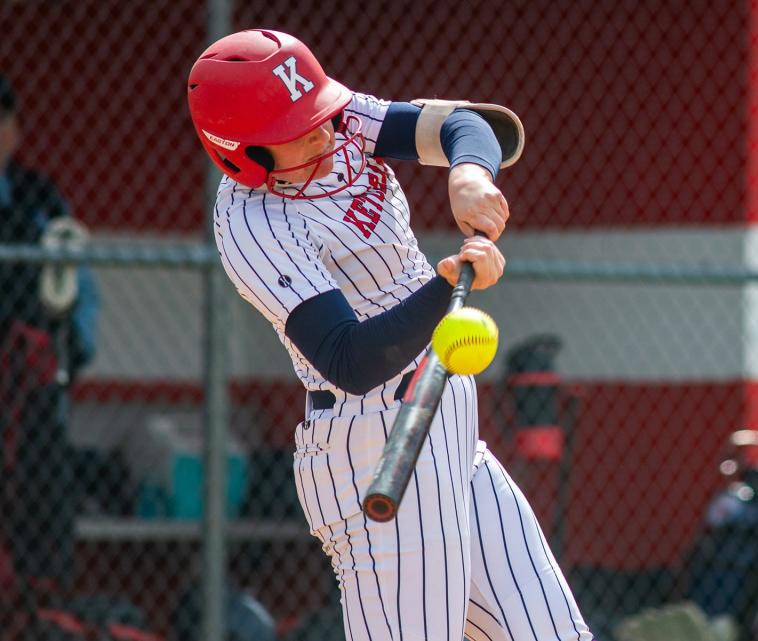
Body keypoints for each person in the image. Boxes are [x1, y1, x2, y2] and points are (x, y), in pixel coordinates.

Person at [187, 29, 593, 641]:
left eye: (320, 112)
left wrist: (469, 178)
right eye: (301, 129)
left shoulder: (334, 120)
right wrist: (445, 287)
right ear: (242, 153)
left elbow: (464, 125)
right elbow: (348, 358)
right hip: (373, 444)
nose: (327, 130)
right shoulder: (251, 223)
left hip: (447, 420)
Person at [0, 72, 99, 633]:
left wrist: (69, 364)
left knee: (35, 533)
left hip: (28, 394)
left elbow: (80, 291)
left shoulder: (39, 199)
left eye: (2, 120)